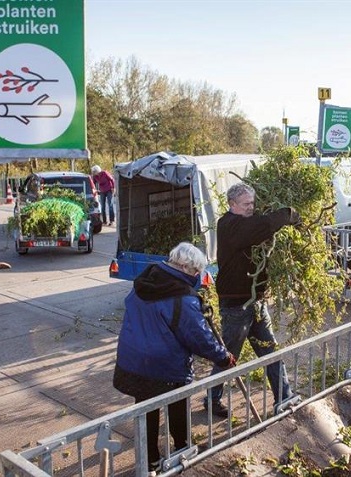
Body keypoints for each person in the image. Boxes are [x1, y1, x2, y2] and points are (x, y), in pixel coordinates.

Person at [113, 242, 235, 473]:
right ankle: (182, 450)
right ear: (186, 268)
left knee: (146, 409)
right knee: (177, 407)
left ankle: (149, 461)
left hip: (134, 360)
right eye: (197, 271)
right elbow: (198, 337)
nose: (198, 276)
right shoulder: (182, 297)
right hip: (164, 367)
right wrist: (223, 358)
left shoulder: (144, 282)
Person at [205, 182, 300, 417]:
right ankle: (211, 398)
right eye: (246, 204)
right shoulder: (229, 224)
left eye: (253, 203)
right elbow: (264, 225)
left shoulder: (245, 221)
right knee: (227, 357)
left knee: (271, 352)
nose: (251, 207)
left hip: (255, 302)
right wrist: (287, 214)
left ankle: (284, 398)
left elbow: (261, 224)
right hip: (236, 305)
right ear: (232, 204)